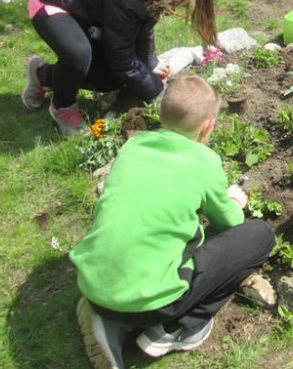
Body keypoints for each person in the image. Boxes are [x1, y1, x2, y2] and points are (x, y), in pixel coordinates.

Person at [71, 76, 275, 369]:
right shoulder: (204, 161)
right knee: (258, 236)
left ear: (160, 114)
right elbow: (230, 223)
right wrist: (234, 201)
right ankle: (176, 329)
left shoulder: (133, 147)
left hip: (91, 284)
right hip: (154, 304)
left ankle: (105, 318)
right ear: (208, 126)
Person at [20, 0, 217, 135]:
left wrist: (150, 61)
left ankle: (44, 75)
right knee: (79, 53)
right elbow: (121, 56)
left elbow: (142, 26)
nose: (180, 7)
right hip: (52, 1)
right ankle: (62, 107)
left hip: (85, 11)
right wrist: (158, 94)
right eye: (183, 2)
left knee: (112, 79)